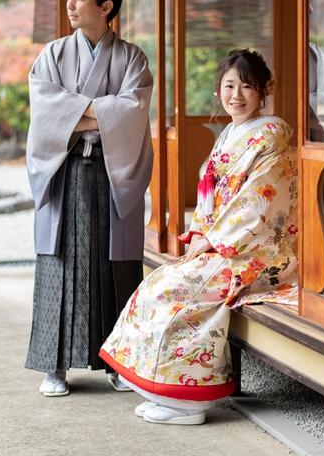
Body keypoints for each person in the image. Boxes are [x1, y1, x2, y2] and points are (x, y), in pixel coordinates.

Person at [99, 48, 297, 425]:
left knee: (177, 293)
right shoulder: (230, 133)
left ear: (263, 91)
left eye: (247, 87)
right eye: (229, 85)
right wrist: (202, 233)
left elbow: (259, 205)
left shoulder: (270, 137)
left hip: (255, 251)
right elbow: (210, 194)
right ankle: (165, 393)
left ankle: (188, 402)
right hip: (224, 242)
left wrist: (216, 239)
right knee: (158, 283)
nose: (236, 95)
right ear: (218, 90)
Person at [24, 0, 153, 397]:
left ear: (106, 6)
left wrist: (74, 112)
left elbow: (133, 111)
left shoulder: (132, 57)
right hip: (64, 174)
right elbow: (45, 113)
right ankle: (53, 366)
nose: (70, 4)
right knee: (60, 264)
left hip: (112, 173)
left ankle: (119, 364)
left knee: (115, 267)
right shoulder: (52, 55)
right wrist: (103, 109)